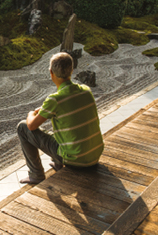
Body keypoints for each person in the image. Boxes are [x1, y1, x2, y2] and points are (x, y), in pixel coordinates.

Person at [17, 52, 104, 184]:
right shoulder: (86, 90)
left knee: (22, 127)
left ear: (51, 73)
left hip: (75, 160)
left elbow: (31, 126)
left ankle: (36, 174)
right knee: (63, 129)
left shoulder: (55, 100)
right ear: (72, 70)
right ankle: (57, 162)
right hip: (94, 155)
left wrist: (31, 114)